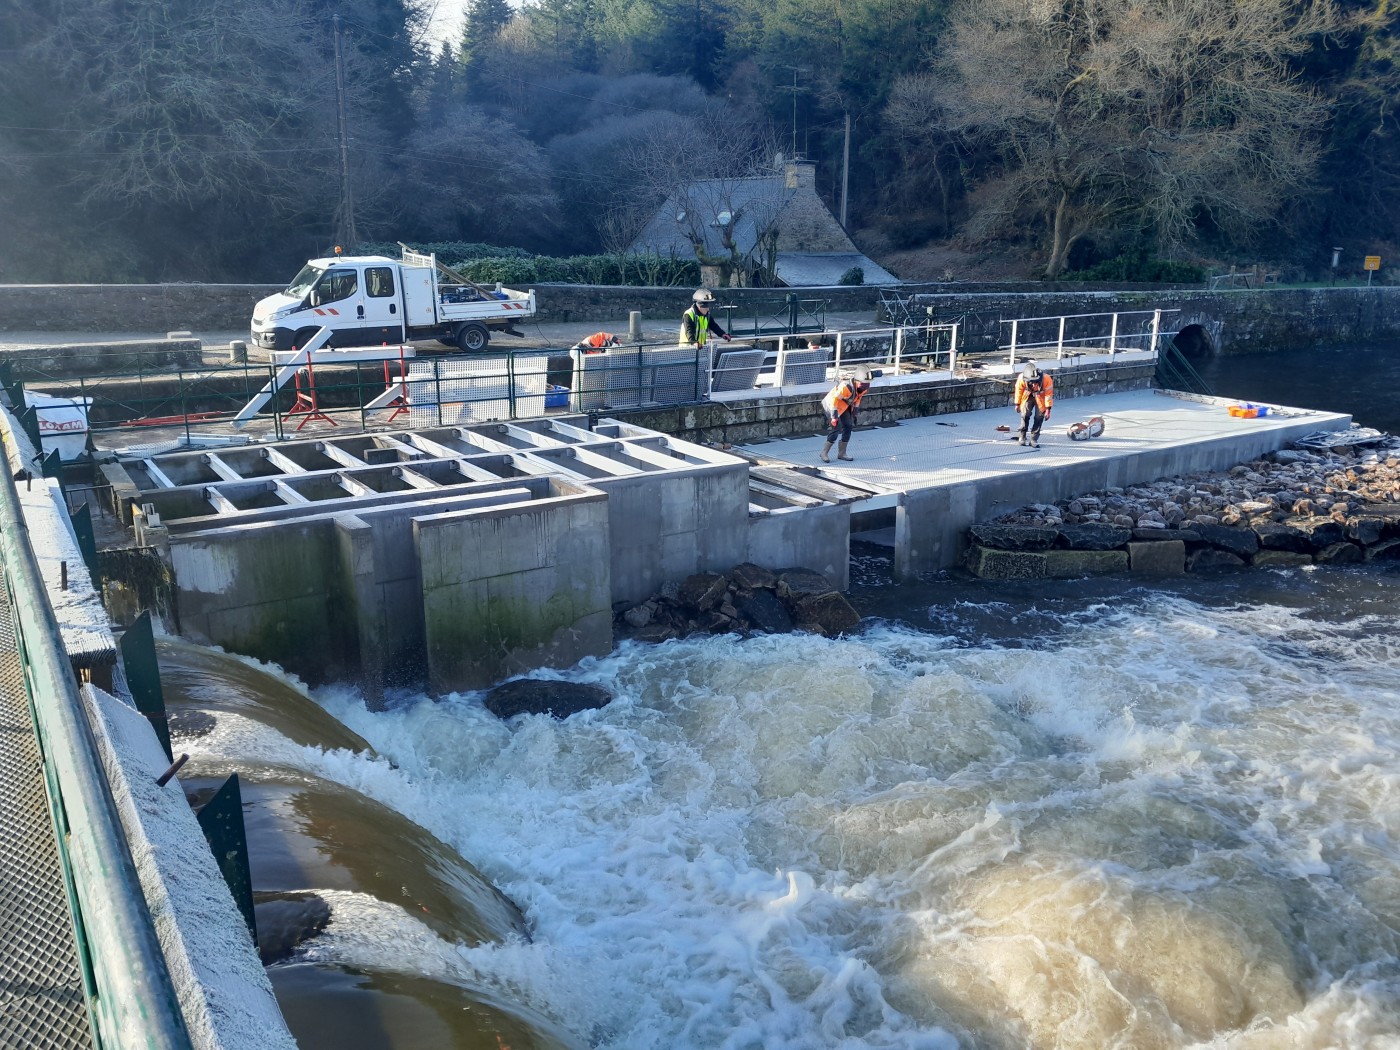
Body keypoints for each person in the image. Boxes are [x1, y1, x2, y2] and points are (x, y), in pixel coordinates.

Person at [819, 367, 871, 463]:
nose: (865, 386)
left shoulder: (863, 388)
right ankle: (824, 453)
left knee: (848, 426)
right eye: (863, 383)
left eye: (867, 384)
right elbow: (834, 400)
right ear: (857, 381)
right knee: (836, 428)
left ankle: (842, 453)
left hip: (844, 406)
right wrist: (834, 417)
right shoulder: (846, 387)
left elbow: (858, 399)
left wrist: (854, 414)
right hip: (831, 405)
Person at [1013, 360, 1054, 447]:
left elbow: (1048, 395)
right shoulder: (1021, 378)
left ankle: (1034, 439)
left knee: (1039, 417)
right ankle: (1022, 437)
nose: (1033, 383)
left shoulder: (1046, 379)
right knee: (1025, 414)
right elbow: (1018, 391)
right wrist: (1017, 404)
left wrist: (1048, 410)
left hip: (1041, 398)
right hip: (1028, 396)